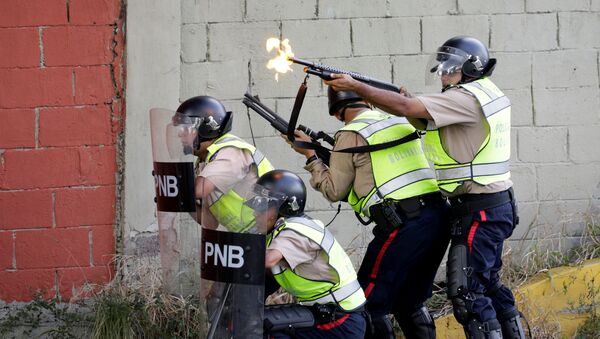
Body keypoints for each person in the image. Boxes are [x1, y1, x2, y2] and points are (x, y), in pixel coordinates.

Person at [325, 36, 525, 339]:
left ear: (470, 69)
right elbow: (414, 112)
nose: (443, 76)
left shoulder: (464, 97)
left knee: (468, 294)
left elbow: (406, 106)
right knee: (487, 285)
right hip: (487, 204)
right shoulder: (484, 93)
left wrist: (359, 86)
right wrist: (407, 104)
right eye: (442, 70)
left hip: (479, 208)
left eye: (450, 70)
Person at [285, 88, 450, 339]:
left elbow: (334, 190)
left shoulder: (351, 133)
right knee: (409, 301)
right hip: (438, 217)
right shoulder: (396, 120)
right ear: (368, 102)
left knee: (366, 304)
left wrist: (312, 157)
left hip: (404, 225)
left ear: (338, 112)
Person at [248, 169, 367, 339]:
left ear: (283, 208)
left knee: (263, 330)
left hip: (341, 320)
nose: (255, 213)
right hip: (326, 312)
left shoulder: (294, 231)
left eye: (262, 207)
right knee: (257, 322)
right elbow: (270, 276)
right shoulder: (283, 230)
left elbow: (267, 261)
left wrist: (229, 258)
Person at [173, 95, 274, 231]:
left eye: (186, 128)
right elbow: (209, 222)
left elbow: (198, 190)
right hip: (248, 235)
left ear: (206, 128)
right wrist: (181, 202)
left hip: (272, 232)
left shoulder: (230, 151)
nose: (180, 134)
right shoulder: (205, 163)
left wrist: (170, 184)